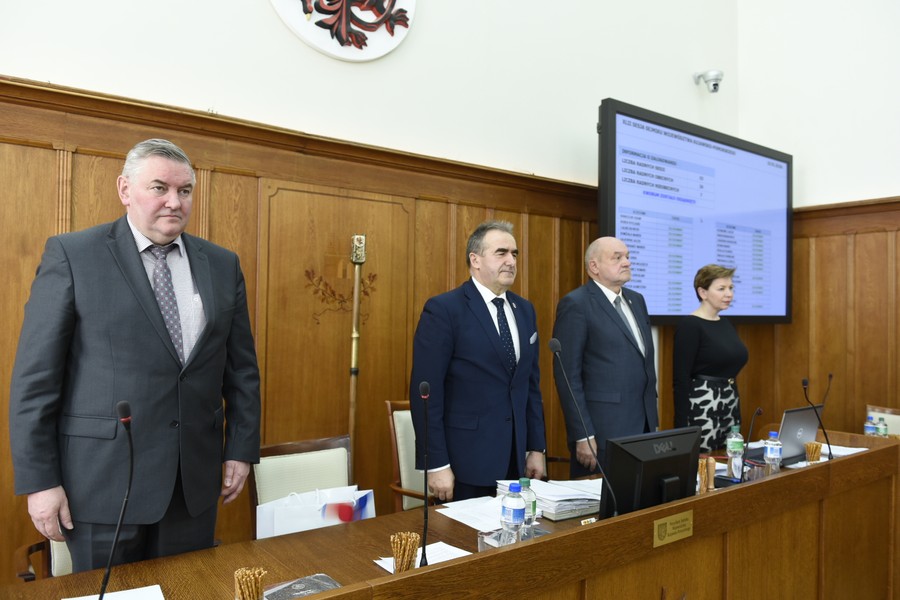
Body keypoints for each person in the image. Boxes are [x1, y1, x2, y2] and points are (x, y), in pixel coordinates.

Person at [9, 138, 261, 572]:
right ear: (125, 190)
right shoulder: (73, 255)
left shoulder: (222, 264)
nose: (174, 202)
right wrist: (41, 481)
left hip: (191, 486)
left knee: (188, 592)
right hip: (102, 485)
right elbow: (36, 381)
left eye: (184, 191)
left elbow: (242, 371)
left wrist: (239, 449)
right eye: (159, 188)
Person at [409, 220, 546, 502]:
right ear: (475, 260)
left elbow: (530, 386)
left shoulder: (525, 310)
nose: (511, 261)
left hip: (516, 461)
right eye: (501, 253)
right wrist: (436, 464)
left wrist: (536, 448)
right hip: (465, 463)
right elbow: (426, 394)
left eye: (514, 254)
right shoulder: (444, 309)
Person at [552, 236, 658, 477]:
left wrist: (652, 421)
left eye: (627, 257)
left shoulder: (637, 300)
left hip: (642, 428)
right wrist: (583, 434)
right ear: (594, 266)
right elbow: (567, 377)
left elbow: (644, 366)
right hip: (601, 433)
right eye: (617, 258)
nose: (627, 262)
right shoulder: (576, 304)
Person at [673, 264, 748, 452]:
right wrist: (681, 427)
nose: (729, 294)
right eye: (721, 289)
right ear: (703, 292)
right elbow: (680, 379)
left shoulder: (726, 323)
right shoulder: (690, 325)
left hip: (730, 402)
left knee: (731, 457)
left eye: (731, 288)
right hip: (702, 406)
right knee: (705, 463)